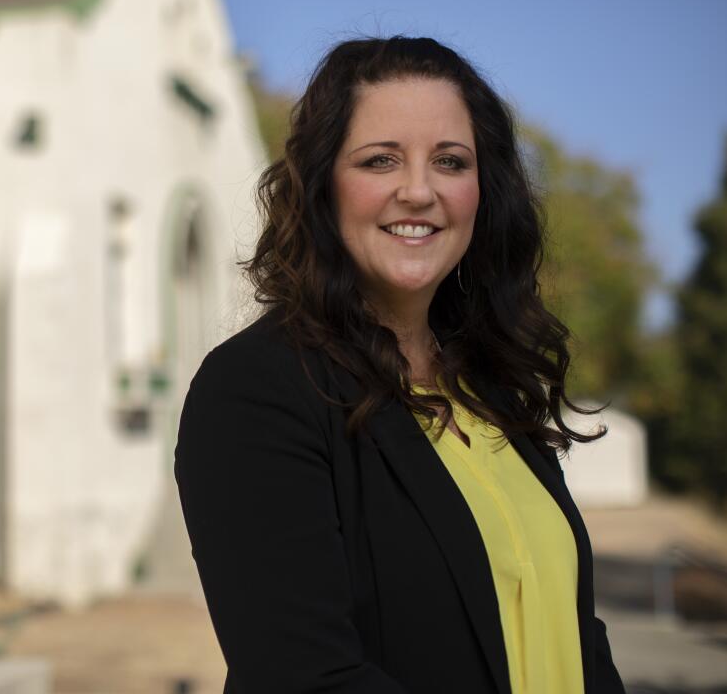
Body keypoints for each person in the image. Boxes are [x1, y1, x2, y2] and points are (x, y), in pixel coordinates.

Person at [173, 36, 626, 694]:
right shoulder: (255, 390)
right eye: (381, 160)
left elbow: (577, 632)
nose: (418, 191)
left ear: (482, 191)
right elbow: (304, 677)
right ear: (324, 185)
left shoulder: (493, 387)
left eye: (450, 161)